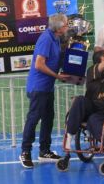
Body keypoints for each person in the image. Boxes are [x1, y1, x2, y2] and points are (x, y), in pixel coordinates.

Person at [20, 13, 70, 169]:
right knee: (34, 118)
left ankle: (44, 151)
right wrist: (57, 76)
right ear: (59, 27)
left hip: (48, 87)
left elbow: (57, 58)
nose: (67, 26)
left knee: (48, 117)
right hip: (38, 87)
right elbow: (39, 64)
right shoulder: (46, 39)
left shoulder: (56, 39)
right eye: (66, 24)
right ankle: (25, 152)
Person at [65, 49, 104, 170]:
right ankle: (70, 134)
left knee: (93, 120)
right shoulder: (92, 70)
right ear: (102, 60)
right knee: (79, 100)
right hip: (92, 108)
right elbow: (103, 66)